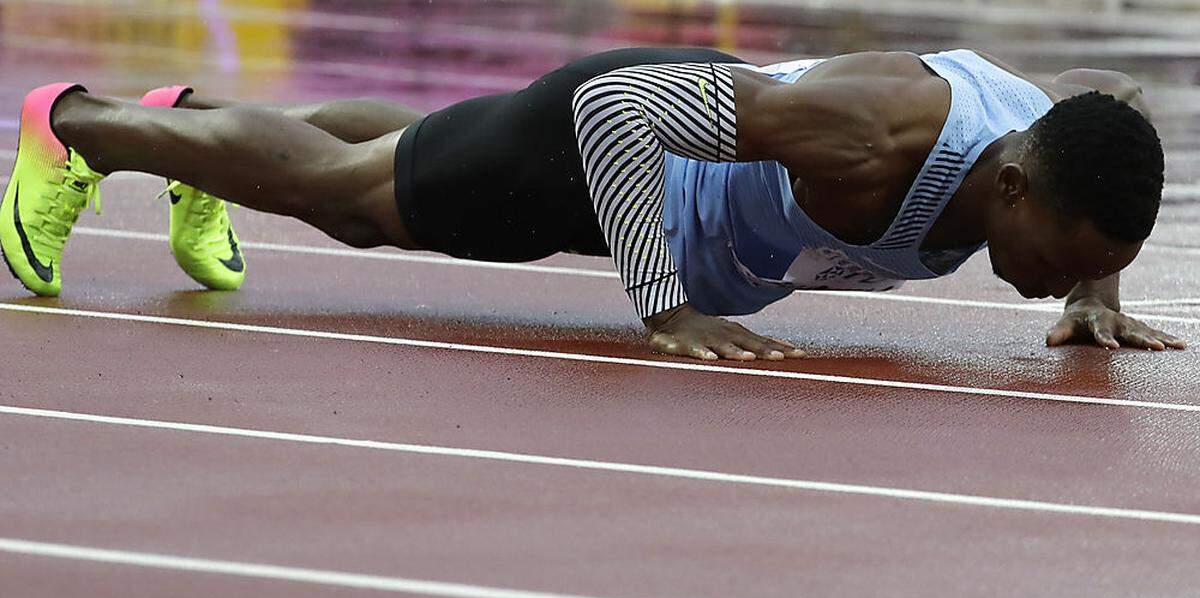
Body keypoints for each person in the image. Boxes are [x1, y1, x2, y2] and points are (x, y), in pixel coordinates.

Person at [0, 46, 1185, 361]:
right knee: (352, 202)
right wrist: (664, 307)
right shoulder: (874, 129)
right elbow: (620, 110)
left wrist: (1095, 287)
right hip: (593, 153)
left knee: (406, 151)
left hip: (656, 190)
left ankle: (192, 124)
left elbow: (1119, 103)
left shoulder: (1058, 145)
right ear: (1012, 181)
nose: (1038, 279)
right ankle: (81, 124)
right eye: (1055, 257)